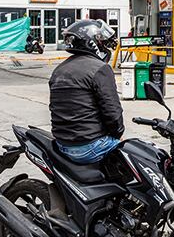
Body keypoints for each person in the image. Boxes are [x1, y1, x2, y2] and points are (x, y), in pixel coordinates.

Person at [49, 20, 124, 164]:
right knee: (142, 153)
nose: (105, 47)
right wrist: (118, 135)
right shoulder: (100, 69)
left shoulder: (59, 70)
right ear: (92, 42)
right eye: (102, 42)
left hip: (62, 144)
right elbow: (113, 114)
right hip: (89, 146)